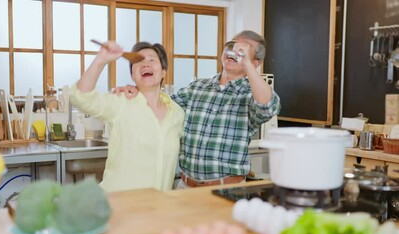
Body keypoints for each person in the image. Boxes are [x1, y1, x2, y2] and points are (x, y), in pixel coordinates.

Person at [119, 30, 281, 188]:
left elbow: (268, 107)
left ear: (256, 62)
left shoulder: (251, 94)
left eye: (243, 49)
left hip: (227, 189)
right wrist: (137, 90)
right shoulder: (197, 88)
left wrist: (245, 63)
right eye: (231, 46)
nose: (235, 52)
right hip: (185, 186)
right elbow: (161, 106)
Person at [70, 41, 184, 192]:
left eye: (152, 59)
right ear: (132, 75)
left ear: (164, 71)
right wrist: (101, 60)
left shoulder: (177, 113)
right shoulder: (121, 102)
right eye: (139, 61)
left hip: (157, 208)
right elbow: (80, 97)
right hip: (119, 206)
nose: (145, 64)